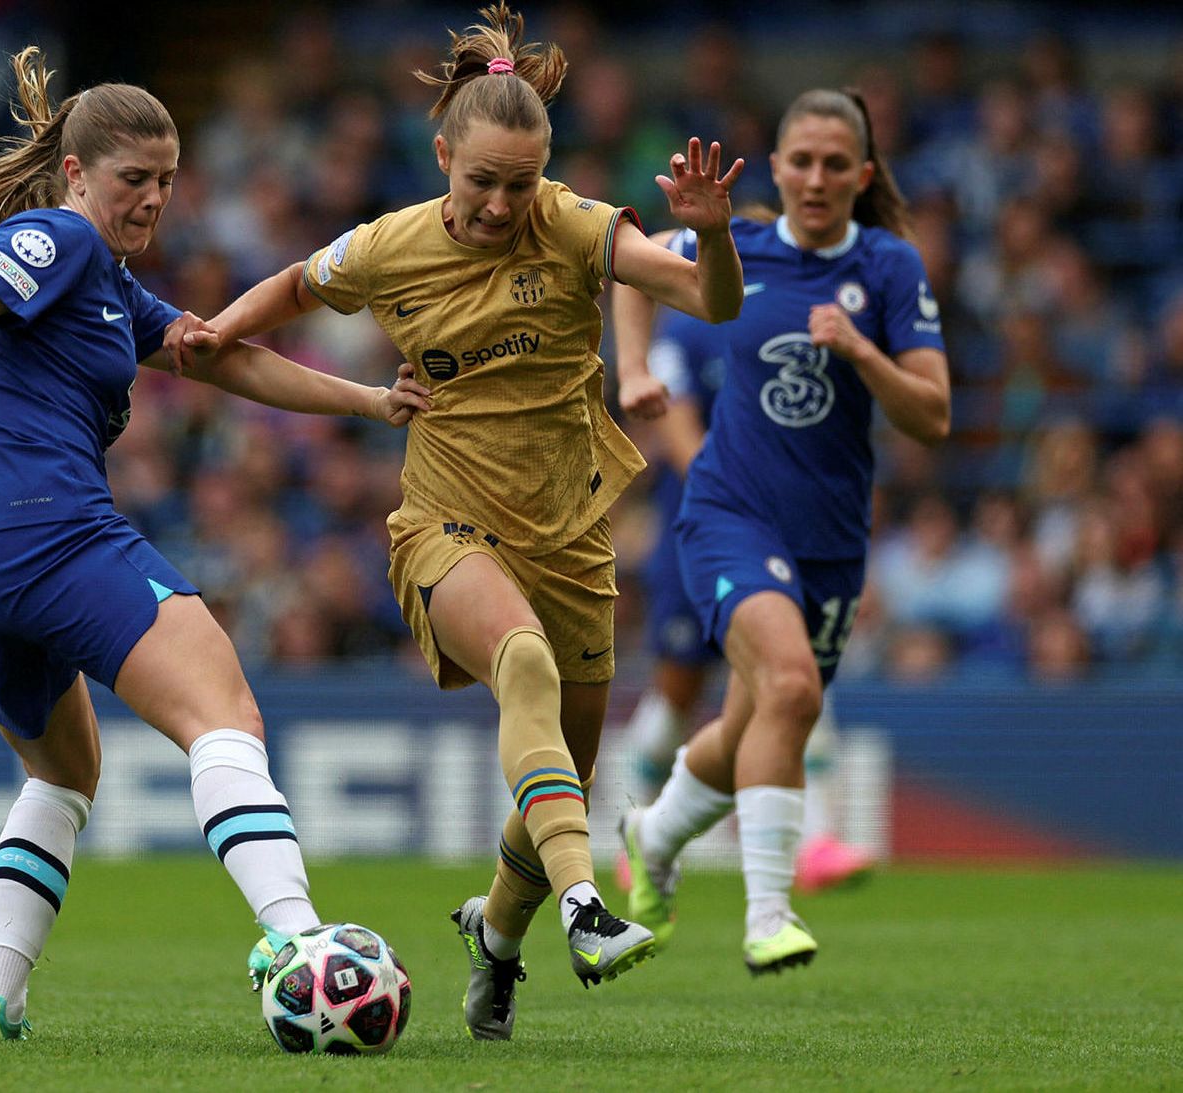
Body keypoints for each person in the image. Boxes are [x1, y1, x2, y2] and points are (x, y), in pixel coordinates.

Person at [0, 47, 431, 1042]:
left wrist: (369, 401)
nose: (153, 200)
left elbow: (221, 357)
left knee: (63, 776)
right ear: (76, 172)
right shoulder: (59, 240)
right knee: (225, 716)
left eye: (167, 182)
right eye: (134, 179)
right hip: (41, 528)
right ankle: (299, 941)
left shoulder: (112, 290)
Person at [195, 3, 744, 1040]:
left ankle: (495, 939)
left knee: (559, 785)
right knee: (524, 669)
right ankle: (587, 911)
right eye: (478, 180)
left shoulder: (578, 226)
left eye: (518, 183)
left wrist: (711, 238)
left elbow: (711, 303)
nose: (498, 204)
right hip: (445, 525)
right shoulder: (386, 248)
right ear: (441, 153)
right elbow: (293, 286)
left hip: (569, 538)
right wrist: (215, 330)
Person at [615, 87, 949, 976]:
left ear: (863, 175)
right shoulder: (741, 243)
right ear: (777, 168)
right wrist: (637, 370)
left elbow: (933, 416)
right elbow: (631, 263)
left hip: (830, 539)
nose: (816, 177)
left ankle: (651, 837)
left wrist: (864, 352)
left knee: (755, 719)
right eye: (801, 160)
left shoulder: (888, 268)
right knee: (794, 689)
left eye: (836, 163)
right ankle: (768, 913)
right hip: (729, 511)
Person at [610, 262, 875, 896]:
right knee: (680, 687)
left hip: (787, 532)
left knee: (796, 676)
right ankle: (634, 827)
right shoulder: (691, 333)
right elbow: (677, 427)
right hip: (702, 531)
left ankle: (816, 842)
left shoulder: (801, 338)